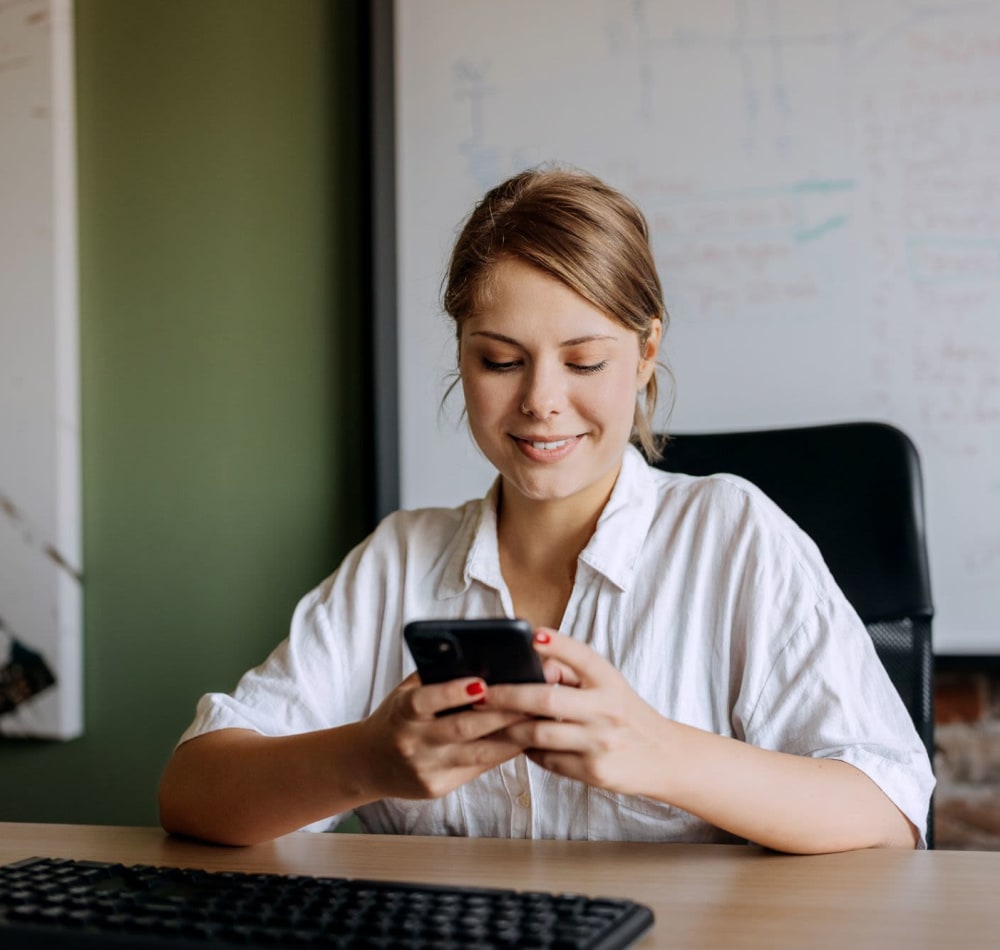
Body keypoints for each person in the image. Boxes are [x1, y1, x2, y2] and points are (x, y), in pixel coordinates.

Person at [159, 167, 934, 852]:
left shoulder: (733, 536)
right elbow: (192, 791)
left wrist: (659, 752)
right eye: (499, 360)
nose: (540, 402)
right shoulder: (398, 560)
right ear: (461, 354)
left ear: (646, 352)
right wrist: (365, 760)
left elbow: (889, 812)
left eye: (584, 360)